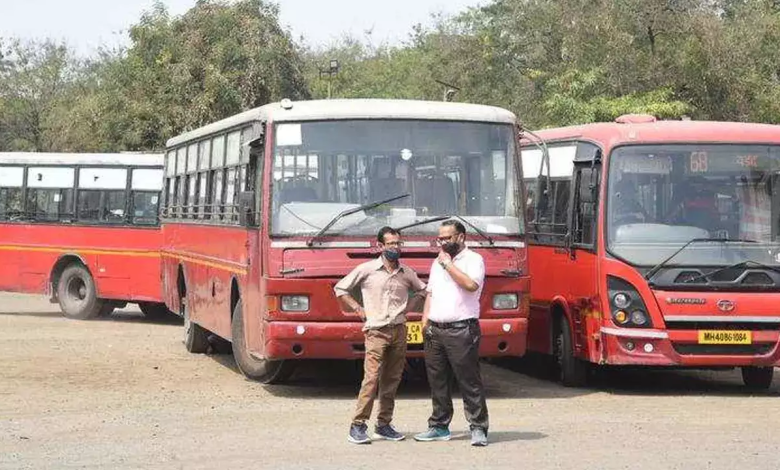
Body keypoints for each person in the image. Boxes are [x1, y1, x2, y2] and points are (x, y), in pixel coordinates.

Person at [334, 226, 426, 445]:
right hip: (375, 331)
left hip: (399, 330)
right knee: (372, 378)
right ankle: (358, 425)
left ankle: (384, 425)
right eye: (391, 244)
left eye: (398, 243)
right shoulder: (367, 269)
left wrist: (409, 307)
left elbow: (423, 290)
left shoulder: (406, 272)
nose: (395, 247)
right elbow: (341, 288)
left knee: (392, 379)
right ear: (380, 246)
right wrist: (359, 310)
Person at [414, 220, 489, 447]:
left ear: (461, 237)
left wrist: (448, 265)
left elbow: (470, 285)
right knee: (438, 381)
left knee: (469, 381)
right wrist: (425, 322)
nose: (443, 242)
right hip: (435, 330)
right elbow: (431, 293)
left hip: (462, 329)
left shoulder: (474, 260)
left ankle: (478, 428)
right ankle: (439, 426)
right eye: (441, 238)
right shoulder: (437, 262)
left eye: (447, 238)